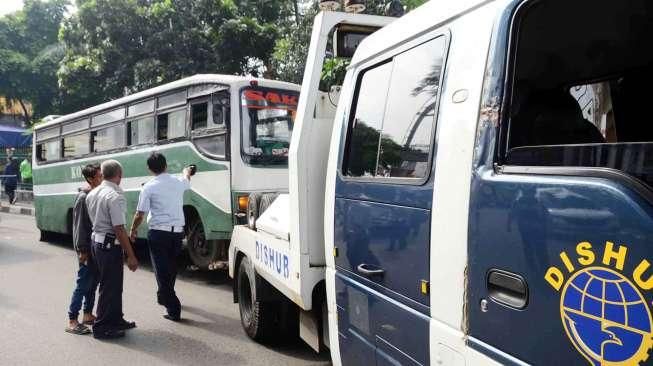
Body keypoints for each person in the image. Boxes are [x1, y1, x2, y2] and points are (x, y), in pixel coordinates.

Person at [130, 152, 192, 321]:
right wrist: (187, 171)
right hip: (177, 234)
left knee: (162, 270)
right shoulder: (178, 182)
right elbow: (186, 180)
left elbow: (140, 213)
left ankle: (173, 308)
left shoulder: (148, 187)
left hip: (158, 234)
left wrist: (133, 230)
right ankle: (164, 295)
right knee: (170, 269)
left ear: (150, 169)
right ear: (166, 165)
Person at [86, 160, 139, 339]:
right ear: (120, 175)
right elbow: (119, 228)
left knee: (114, 286)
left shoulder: (92, 193)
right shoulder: (114, 196)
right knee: (109, 287)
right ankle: (101, 327)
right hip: (108, 245)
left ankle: (116, 319)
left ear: (102, 174)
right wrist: (131, 255)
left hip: (97, 243)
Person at [66, 164, 102, 335]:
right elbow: (80, 226)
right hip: (86, 248)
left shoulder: (95, 194)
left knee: (93, 282)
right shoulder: (83, 197)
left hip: (94, 247)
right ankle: (72, 320)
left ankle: (88, 314)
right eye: (99, 176)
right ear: (90, 179)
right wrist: (82, 250)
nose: (102, 179)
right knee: (83, 284)